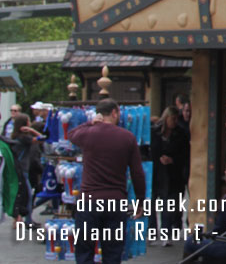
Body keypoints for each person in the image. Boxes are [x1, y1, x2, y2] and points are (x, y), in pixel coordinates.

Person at [67, 99, 146, 264]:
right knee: (112, 253)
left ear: (99, 114)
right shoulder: (128, 137)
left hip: (88, 201)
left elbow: (71, 135)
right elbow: (138, 173)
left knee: (84, 252)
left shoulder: (88, 134)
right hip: (115, 202)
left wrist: (90, 123)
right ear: (115, 113)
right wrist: (140, 201)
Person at [151, 106, 188, 245]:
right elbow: (148, 150)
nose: (174, 121)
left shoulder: (181, 133)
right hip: (156, 171)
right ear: (166, 118)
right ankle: (152, 232)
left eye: (176, 119)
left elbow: (185, 154)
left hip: (173, 173)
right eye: (172, 119)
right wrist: (157, 157)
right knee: (152, 203)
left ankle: (166, 233)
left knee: (169, 206)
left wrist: (173, 160)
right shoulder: (154, 131)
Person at [2, 112, 44, 226]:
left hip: (19, 168)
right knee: (28, 195)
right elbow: (42, 138)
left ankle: (18, 217)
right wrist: (32, 130)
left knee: (21, 194)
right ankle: (27, 220)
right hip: (22, 170)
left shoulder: (16, 136)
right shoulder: (24, 138)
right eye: (28, 122)